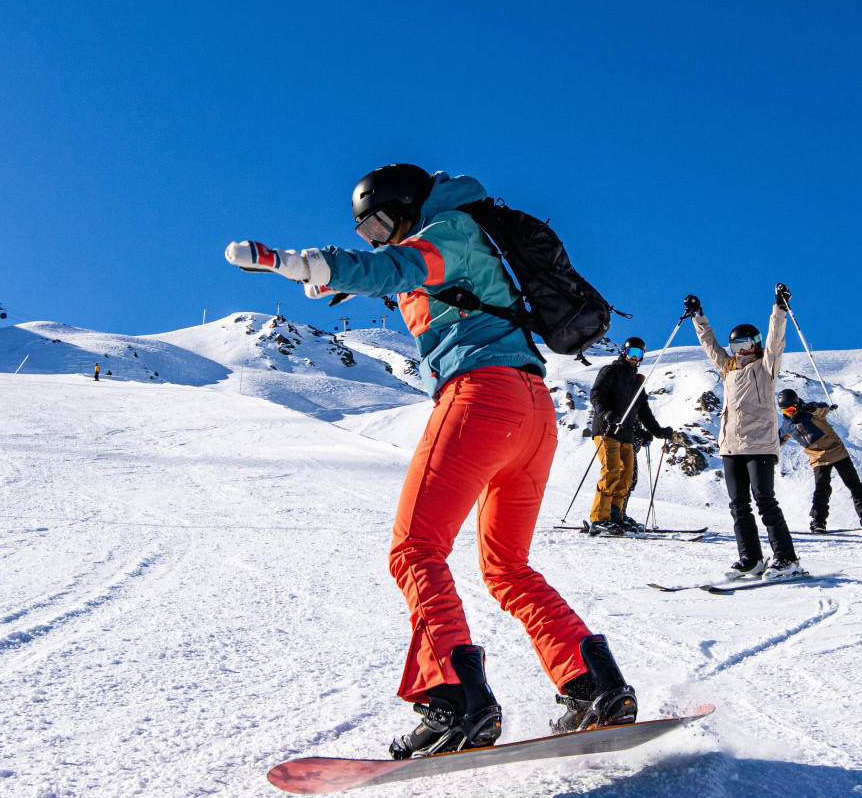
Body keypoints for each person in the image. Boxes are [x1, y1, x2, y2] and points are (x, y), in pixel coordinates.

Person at [225, 162, 638, 757]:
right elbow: (401, 276)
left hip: (481, 398)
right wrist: (339, 280)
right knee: (507, 568)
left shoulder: (446, 231)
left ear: (409, 206)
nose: (379, 236)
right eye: (367, 232)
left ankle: (452, 699)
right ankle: (594, 684)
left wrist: (292, 262)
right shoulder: (459, 234)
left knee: (415, 549)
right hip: (533, 414)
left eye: (382, 222)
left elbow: (398, 266)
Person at [687, 285, 804, 582]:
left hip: (760, 444)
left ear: (755, 344)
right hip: (730, 446)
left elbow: (776, 341)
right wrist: (698, 317)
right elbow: (710, 345)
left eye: (745, 345)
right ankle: (750, 559)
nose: (740, 351)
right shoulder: (728, 369)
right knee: (738, 505)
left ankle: (786, 559)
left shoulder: (766, 368)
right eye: (735, 346)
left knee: (765, 501)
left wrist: (779, 309)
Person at [587, 336, 677, 536]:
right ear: (624, 352)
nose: (635, 357)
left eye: (639, 354)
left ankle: (615, 515)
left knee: (625, 476)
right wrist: (607, 414)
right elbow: (596, 394)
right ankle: (599, 518)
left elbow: (644, 413)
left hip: (626, 436)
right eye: (632, 353)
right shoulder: (611, 371)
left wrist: (659, 431)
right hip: (608, 431)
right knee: (611, 472)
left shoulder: (637, 382)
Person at [778, 388, 862, 532]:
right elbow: (777, 440)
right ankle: (818, 522)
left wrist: (812, 407)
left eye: (790, 409)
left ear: (797, 404)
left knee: (854, 484)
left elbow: (823, 408)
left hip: (836, 451)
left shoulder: (811, 412)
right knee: (822, 489)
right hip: (818, 458)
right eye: (785, 411)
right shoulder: (786, 425)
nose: (789, 414)